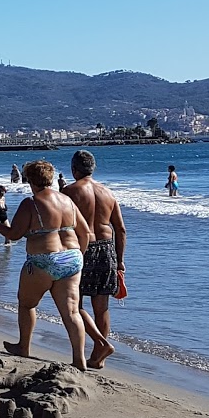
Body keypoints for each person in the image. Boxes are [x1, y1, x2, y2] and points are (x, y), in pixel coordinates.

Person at [0, 159, 113, 370]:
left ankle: (24, 346)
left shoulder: (31, 203)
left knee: (27, 304)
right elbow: (85, 233)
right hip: (72, 258)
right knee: (72, 312)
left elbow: (14, 234)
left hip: (44, 259)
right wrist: (80, 257)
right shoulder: (67, 201)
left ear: (30, 180)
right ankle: (79, 360)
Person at [63, 150, 127, 369]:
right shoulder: (108, 193)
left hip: (83, 249)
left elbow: (63, 224)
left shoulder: (69, 191)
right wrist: (120, 260)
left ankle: (100, 344)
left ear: (74, 170)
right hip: (107, 249)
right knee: (102, 306)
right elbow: (121, 229)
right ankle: (98, 357)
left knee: (73, 303)